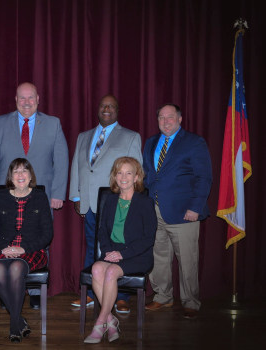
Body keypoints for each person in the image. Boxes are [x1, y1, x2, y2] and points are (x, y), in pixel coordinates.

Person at [0, 82, 68, 309]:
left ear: (38, 99)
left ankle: (34, 291)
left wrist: (58, 193)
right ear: (15, 100)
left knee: (38, 238)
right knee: (6, 235)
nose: (27, 102)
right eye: (22, 98)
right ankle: (5, 288)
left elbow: (61, 161)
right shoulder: (0, 123)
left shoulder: (53, 124)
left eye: (31, 98)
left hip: (41, 195)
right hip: (6, 195)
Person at [69, 94, 142, 312]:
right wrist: (76, 196)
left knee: (118, 249)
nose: (106, 108)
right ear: (98, 109)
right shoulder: (83, 136)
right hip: (90, 204)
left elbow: (136, 171)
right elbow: (77, 167)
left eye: (111, 105)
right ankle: (92, 293)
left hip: (118, 205)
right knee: (93, 248)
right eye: (103, 105)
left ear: (117, 110)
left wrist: (130, 200)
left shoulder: (130, 136)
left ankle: (120, 297)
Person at [143, 103, 212, 319]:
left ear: (180, 119)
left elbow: (204, 177)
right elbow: (148, 175)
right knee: (159, 257)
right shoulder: (151, 142)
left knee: (188, 261)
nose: (165, 121)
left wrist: (195, 207)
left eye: (170, 117)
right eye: (161, 117)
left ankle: (191, 301)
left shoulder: (194, 142)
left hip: (184, 213)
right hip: (154, 210)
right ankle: (162, 296)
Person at [84, 157, 157, 343]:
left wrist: (122, 254)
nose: (123, 177)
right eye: (119, 172)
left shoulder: (145, 203)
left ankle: (100, 323)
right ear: (115, 177)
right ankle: (110, 319)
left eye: (128, 173)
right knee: (96, 268)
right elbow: (102, 232)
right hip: (112, 252)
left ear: (136, 177)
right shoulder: (110, 201)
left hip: (137, 255)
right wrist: (108, 251)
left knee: (110, 273)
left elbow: (148, 239)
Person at [0, 158, 53, 343]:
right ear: (10, 177)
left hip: (32, 250)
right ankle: (18, 320)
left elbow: (47, 234)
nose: (20, 175)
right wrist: (4, 248)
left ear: (31, 175)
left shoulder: (39, 197)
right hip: (4, 249)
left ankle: (14, 324)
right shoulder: (1, 197)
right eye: (16, 171)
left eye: (25, 171)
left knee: (16, 268)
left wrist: (23, 248)